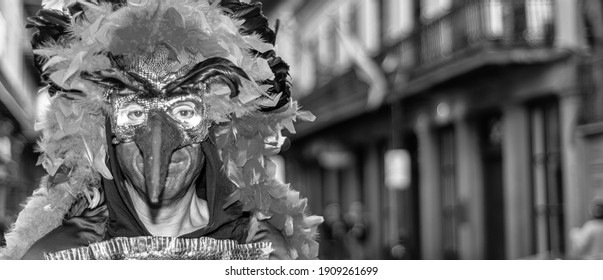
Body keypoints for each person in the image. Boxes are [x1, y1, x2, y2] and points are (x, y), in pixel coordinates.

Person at [0, 0, 321, 260]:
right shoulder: (57, 257)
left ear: (214, 122)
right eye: (134, 111)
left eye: (184, 110)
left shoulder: (265, 254)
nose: (157, 143)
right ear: (105, 125)